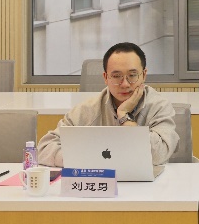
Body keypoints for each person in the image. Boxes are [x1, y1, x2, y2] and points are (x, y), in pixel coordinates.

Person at [37, 42, 179, 169]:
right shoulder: (87, 110)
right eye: (116, 76)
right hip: (99, 183)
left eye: (132, 75)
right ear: (106, 78)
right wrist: (88, 160)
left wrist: (124, 117)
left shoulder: (159, 107)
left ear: (144, 75)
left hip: (148, 185)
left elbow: (159, 154)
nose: (125, 84)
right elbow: (44, 148)